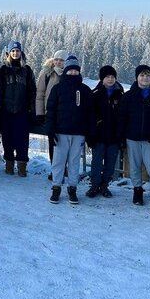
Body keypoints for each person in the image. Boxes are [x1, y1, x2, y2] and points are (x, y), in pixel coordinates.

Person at [117, 64, 150, 208]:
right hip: (132, 138)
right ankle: (137, 191)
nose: (145, 78)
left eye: (148, 75)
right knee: (134, 167)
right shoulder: (128, 96)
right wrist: (121, 138)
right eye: (142, 75)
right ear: (137, 77)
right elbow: (122, 118)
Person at [45, 55, 94, 204]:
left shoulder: (85, 90)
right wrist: (50, 129)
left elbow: (90, 113)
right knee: (58, 162)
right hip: (61, 132)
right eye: (70, 70)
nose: (73, 73)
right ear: (65, 71)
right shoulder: (57, 88)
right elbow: (51, 110)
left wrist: (90, 132)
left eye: (75, 70)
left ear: (79, 72)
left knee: (74, 162)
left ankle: (72, 188)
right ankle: (56, 187)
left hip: (78, 133)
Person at [0, 41, 36, 177]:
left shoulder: (27, 70)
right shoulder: (3, 70)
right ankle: (9, 164)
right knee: (7, 139)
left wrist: (32, 109)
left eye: (17, 51)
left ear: (21, 52)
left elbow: (32, 91)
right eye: (13, 51)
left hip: (22, 110)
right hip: (6, 110)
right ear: (9, 53)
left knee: (22, 140)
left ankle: (21, 165)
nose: (15, 53)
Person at [86, 65, 124, 198]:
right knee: (96, 162)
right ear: (102, 79)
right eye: (107, 77)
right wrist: (90, 135)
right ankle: (95, 185)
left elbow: (123, 117)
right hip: (98, 136)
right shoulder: (95, 94)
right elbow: (89, 117)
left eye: (112, 77)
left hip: (114, 136)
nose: (110, 79)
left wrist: (121, 135)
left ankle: (104, 185)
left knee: (110, 163)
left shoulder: (120, 94)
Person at [36, 49, 67, 175]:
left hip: (65, 115)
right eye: (56, 59)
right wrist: (40, 113)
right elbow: (40, 94)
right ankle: (55, 170)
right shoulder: (47, 74)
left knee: (65, 144)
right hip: (50, 114)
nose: (58, 62)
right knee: (52, 143)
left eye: (61, 60)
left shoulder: (69, 74)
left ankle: (64, 169)